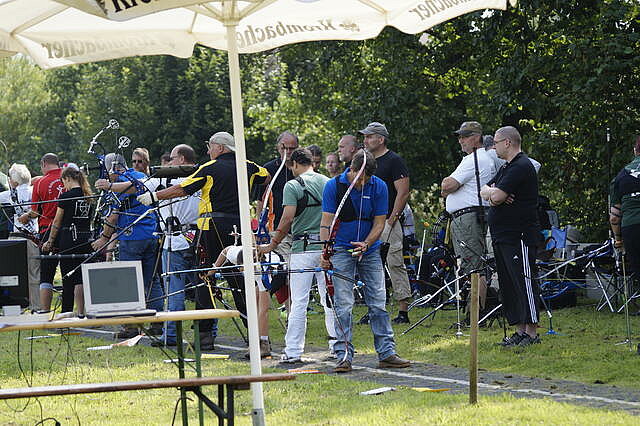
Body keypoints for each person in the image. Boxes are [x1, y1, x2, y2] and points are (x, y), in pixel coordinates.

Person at [137, 132, 269, 350]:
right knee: (239, 280)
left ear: (220, 148)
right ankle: (256, 335)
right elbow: (266, 177)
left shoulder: (209, 168)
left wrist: (154, 196)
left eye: (210, 147)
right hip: (239, 227)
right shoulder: (248, 166)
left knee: (205, 278)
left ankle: (205, 336)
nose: (208, 151)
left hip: (211, 228)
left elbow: (182, 189)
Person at [320, 150, 410, 372]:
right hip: (341, 249)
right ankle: (343, 355)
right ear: (351, 169)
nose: (362, 183)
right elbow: (326, 223)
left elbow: (380, 223)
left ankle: (387, 353)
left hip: (370, 250)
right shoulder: (334, 186)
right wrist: (325, 252)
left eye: (366, 179)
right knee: (343, 303)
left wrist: (367, 244)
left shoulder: (379, 186)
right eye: (359, 178)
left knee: (378, 301)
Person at [101, 145, 200, 346]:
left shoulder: (163, 180)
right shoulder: (200, 174)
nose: (168, 162)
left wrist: (109, 186)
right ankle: (171, 327)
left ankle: (152, 330)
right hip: (186, 238)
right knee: (164, 282)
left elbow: (131, 192)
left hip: (163, 239)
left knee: (155, 286)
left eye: (172, 159)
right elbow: (138, 185)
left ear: (181, 159)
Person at [258, 148, 336, 362]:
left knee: (299, 302)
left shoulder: (292, 185)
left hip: (302, 248)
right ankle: (337, 345)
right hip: (326, 248)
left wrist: (273, 243)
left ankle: (293, 351)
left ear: (294, 164)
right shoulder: (329, 183)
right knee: (329, 298)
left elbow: (287, 219)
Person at [480, 126, 541, 347]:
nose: (493, 147)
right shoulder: (507, 167)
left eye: (496, 143)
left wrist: (496, 194)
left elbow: (496, 197)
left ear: (507, 142)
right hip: (503, 235)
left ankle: (531, 333)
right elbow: (484, 190)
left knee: (524, 281)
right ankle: (519, 330)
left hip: (519, 234)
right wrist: (494, 193)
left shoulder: (521, 166)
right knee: (509, 283)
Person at [92, 153, 164, 338]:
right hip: (151, 235)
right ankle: (157, 323)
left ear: (113, 168)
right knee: (152, 280)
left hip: (132, 238)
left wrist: (103, 238)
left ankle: (131, 327)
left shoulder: (120, 182)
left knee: (129, 282)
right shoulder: (140, 174)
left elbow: (113, 216)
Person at [441, 121, 496, 314]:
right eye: (459, 136)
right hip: (469, 217)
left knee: (473, 265)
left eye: (464, 136)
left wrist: (449, 186)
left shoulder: (475, 159)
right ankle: (475, 310)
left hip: (468, 218)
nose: (460, 140)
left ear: (476, 137)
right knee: (472, 264)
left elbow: (447, 186)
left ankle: (475, 313)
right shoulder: (477, 159)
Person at [360, 122, 412, 324]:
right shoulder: (366, 162)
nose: (365, 140)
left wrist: (392, 220)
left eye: (369, 136)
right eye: (364, 136)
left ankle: (403, 311)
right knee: (370, 266)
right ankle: (374, 308)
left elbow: (403, 192)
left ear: (380, 139)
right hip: (368, 222)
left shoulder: (394, 160)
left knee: (395, 263)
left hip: (388, 221)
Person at [255, 131, 299, 353]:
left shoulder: (301, 169)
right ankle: (262, 332)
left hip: (299, 230)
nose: (288, 152)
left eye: (292, 148)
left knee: (294, 276)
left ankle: (293, 319)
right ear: (277, 147)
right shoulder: (268, 170)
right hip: (274, 230)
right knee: (274, 274)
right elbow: (261, 201)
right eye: (284, 148)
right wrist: (260, 229)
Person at [42, 166, 93, 314]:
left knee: (68, 279)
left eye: (63, 181)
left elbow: (57, 221)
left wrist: (50, 241)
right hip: (85, 239)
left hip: (69, 239)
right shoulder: (88, 196)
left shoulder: (66, 197)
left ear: (68, 179)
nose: (63, 185)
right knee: (80, 278)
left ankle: (66, 313)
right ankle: (81, 312)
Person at [18, 153, 65, 312]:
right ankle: (72, 312)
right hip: (68, 231)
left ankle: (45, 311)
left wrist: (25, 217)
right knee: (70, 273)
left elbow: (35, 212)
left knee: (46, 275)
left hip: (47, 231)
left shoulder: (40, 183)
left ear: (44, 164)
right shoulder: (70, 178)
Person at [0, 164, 40, 310]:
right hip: (33, 238)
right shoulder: (34, 191)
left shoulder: (7, 195)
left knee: (13, 275)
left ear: (14, 181)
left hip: (15, 239)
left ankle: (16, 308)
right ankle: (36, 307)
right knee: (34, 274)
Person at [610, 135, 640, 287]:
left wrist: (618, 240)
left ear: (635, 150)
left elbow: (614, 217)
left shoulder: (621, 176)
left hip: (632, 229)